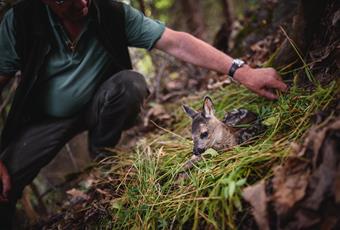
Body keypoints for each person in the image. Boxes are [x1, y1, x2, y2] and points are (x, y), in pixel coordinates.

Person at [0, 0, 287, 228]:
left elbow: (176, 41)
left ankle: (104, 155)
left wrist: (242, 71)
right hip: (44, 120)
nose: (83, 2)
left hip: (101, 103)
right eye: (67, 0)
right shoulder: (20, 22)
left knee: (131, 84)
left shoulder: (110, 12)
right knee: (5, 183)